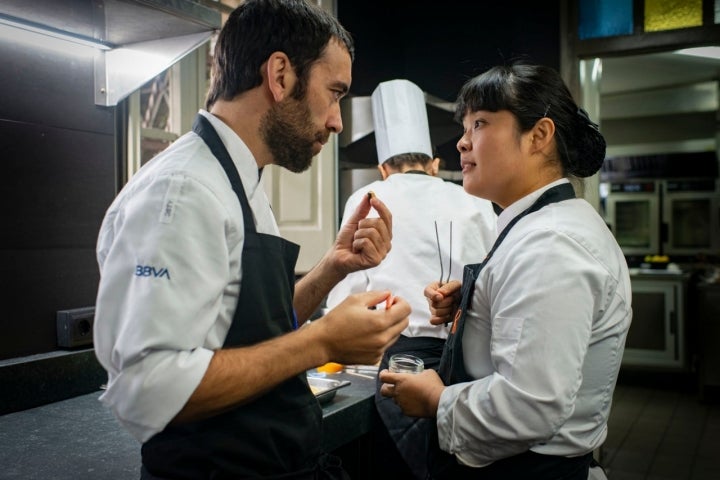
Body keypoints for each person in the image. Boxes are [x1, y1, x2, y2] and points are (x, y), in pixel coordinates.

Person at [93, 1, 411, 478]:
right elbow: (149, 389)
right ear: (280, 75)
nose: (337, 121)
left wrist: (332, 268)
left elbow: (249, 327)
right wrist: (322, 342)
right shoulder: (182, 192)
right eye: (334, 93)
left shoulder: (240, 179)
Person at [379, 63, 632, 480]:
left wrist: (437, 402)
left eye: (479, 123)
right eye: (464, 127)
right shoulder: (536, 226)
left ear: (539, 135)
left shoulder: (551, 245)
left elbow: (529, 406)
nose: (462, 142)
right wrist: (477, 303)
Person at [326, 78, 497, 479]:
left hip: (399, 357)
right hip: (467, 360)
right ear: (435, 166)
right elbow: (492, 275)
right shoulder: (473, 198)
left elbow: (344, 298)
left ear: (383, 169)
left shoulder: (368, 197)